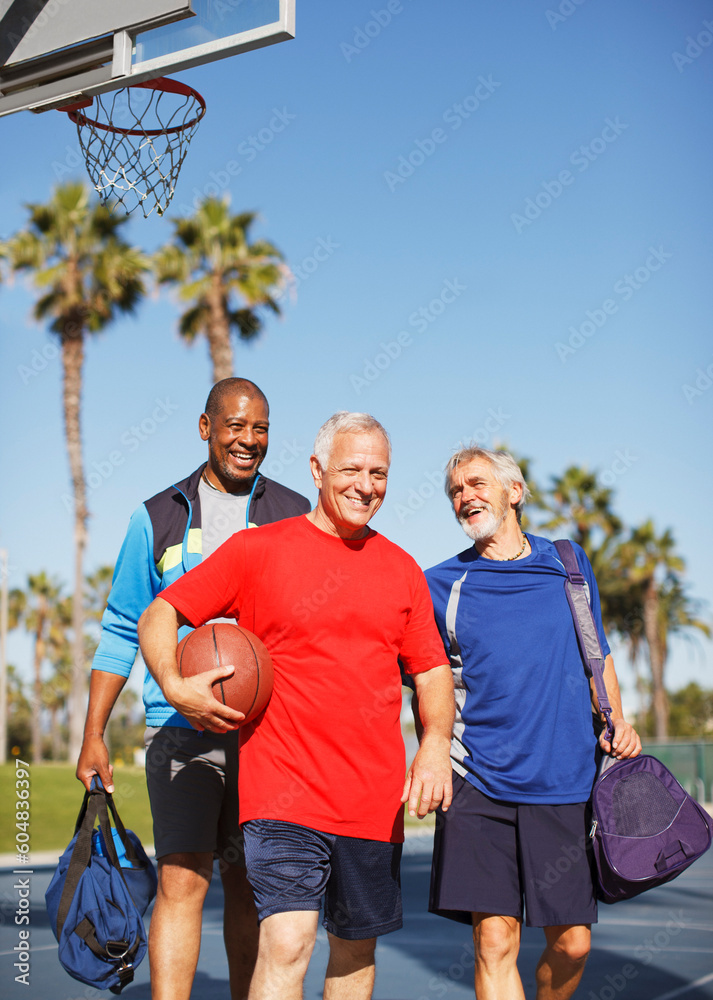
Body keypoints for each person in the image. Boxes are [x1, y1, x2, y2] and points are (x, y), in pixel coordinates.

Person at [137, 411, 455, 1000]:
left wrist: (434, 743)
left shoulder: (403, 570)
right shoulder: (256, 551)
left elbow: (432, 670)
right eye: (352, 469)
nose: (367, 485)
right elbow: (161, 614)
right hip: (282, 792)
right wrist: (176, 686)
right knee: (287, 942)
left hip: (371, 797)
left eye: (379, 472)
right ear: (316, 469)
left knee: (355, 953)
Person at [75, 377, 311, 1000]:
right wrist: (93, 735)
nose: (249, 440)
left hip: (268, 736)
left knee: (249, 886)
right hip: (182, 731)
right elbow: (123, 629)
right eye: (235, 425)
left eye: (260, 428)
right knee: (184, 881)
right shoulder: (156, 517)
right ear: (206, 428)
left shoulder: (294, 514)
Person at [423, 446, 641, 1000]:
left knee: (573, 944)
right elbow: (424, 678)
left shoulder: (567, 563)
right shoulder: (441, 584)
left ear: (513, 492)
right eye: (455, 490)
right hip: (477, 783)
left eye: (475, 483)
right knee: (495, 942)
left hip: (564, 783)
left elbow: (599, 653)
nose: (464, 496)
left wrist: (617, 718)